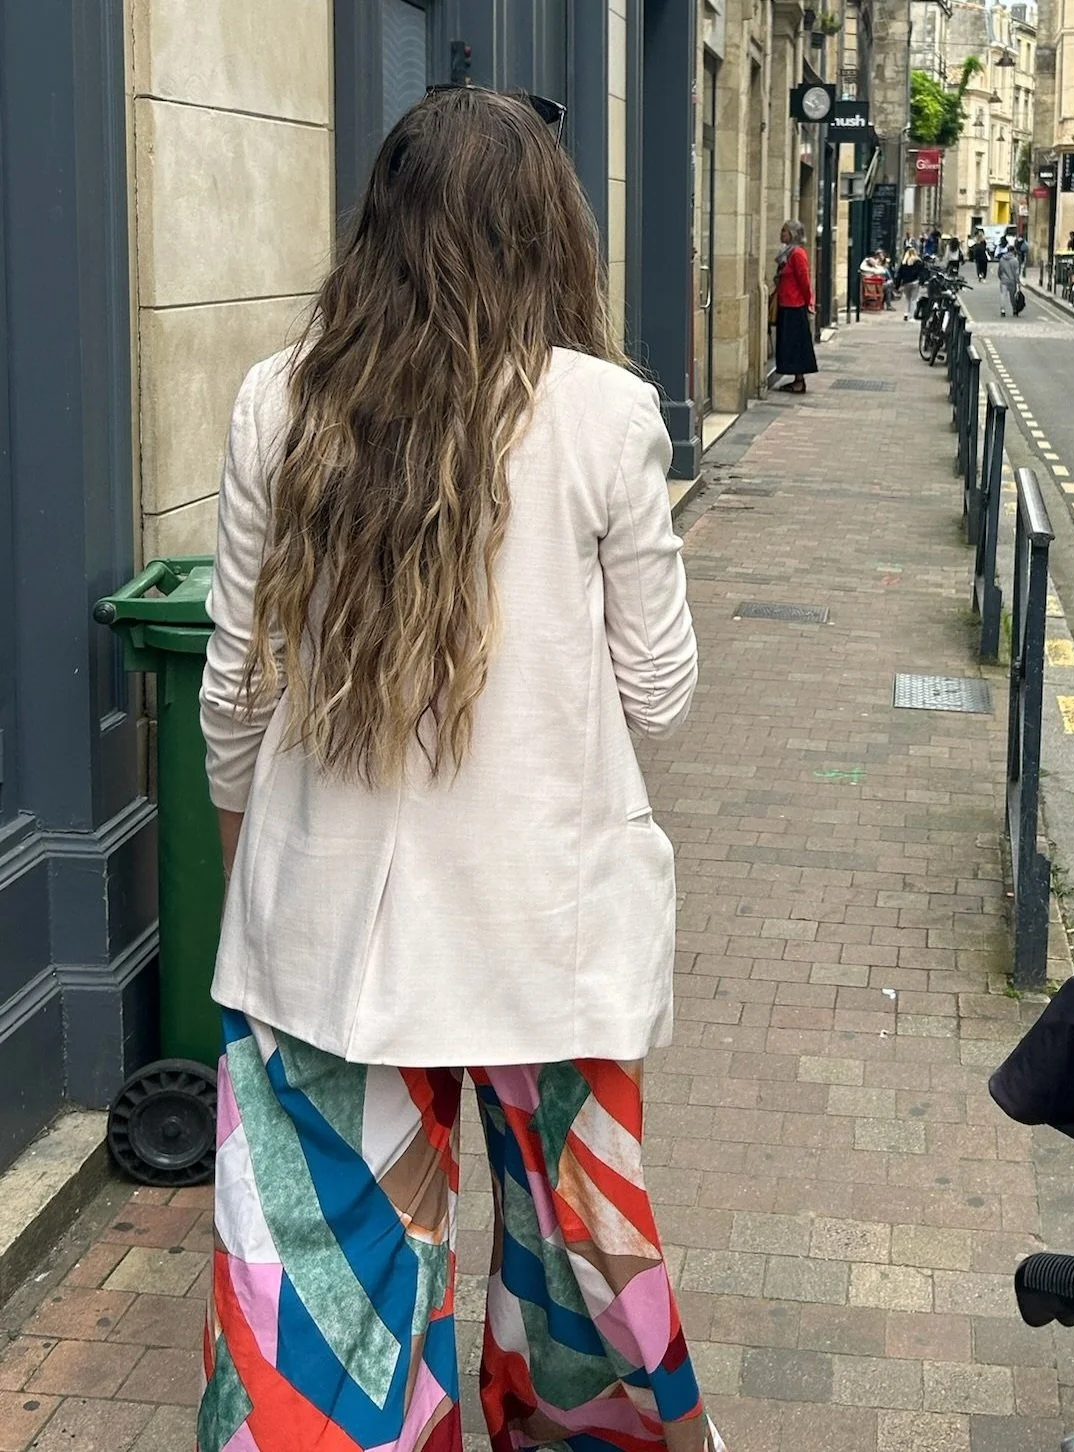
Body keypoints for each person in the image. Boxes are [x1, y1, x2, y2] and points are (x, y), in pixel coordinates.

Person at [196, 86, 723, 1452]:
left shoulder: (280, 402)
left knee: (331, 1301)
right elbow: (662, 697)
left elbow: (235, 694)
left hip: (328, 940)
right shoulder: (605, 415)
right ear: (552, 234)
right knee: (578, 1287)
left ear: (379, 225)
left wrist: (248, 867)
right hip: (545, 931)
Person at [773, 218, 818, 393]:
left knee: (796, 344)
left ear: (791, 234)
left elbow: (804, 281)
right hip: (786, 303)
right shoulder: (787, 253)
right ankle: (796, 379)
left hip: (795, 305)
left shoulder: (797, 254)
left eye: (784, 230)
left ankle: (799, 381)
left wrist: (809, 302)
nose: (781, 233)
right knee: (789, 343)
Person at [896, 245, 926, 320]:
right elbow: (921, 273)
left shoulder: (904, 262)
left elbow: (899, 274)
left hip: (906, 283)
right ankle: (911, 316)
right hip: (915, 282)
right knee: (913, 300)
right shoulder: (918, 262)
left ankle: (906, 314)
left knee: (907, 299)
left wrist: (897, 285)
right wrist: (922, 282)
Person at [998, 243, 1021, 317]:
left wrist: (1000, 277)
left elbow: (1000, 270)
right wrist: (1018, 282)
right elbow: (1016, 273)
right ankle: (1014, 310)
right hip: (1012, 281)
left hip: (1004, 280)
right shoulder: (1015, 260)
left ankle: (1003, 310)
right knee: (1012, 296)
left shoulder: (1002, 259)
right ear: (1013, 251)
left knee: (1003, 295)